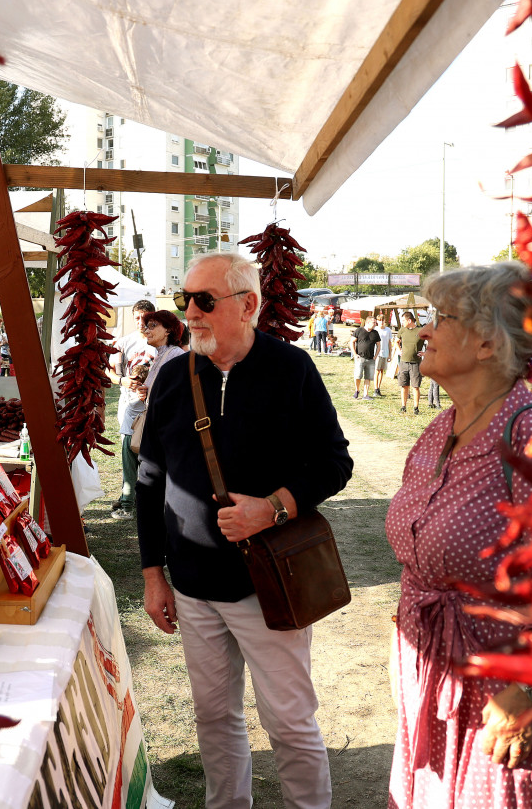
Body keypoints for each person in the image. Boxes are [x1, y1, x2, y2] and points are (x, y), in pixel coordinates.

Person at [384, 262, 532, 809]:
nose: (424, 330)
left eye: (441, 318)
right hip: (440, 677)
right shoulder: (440, 429)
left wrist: (528, 689)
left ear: (487, 343)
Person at [137, 253, 353, 809]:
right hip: (192, 586)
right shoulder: (174, 377)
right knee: (213, 716)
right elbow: (150, 479)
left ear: (247, 304)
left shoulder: (291, 368)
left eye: (204, 300)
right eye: (185, 299)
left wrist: (274, 508)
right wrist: (153, 573)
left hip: (270, 584)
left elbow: (334, 462)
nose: (190, 312)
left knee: (289, 721)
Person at [112, 299, 158, 520]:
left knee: (147, 454)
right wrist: (123, 381)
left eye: (145, 318)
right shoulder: (124, 342)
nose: (141, 322)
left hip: (152, 407)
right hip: (129, 406)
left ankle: (134, 499)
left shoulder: (158, 342)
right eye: (137, 317)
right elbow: (108, 371)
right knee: (129, 452)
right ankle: (128, 498)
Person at [123, 309, 187, 454]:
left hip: (168, 430)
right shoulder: (160, 355)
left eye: (153, 326)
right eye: (147, 326)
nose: (146, 331)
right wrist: (144, 393)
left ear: (168, 330)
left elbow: (180, 394)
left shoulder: (176, 355)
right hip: (158, 426)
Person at [396, 311, 423, 415]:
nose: (402, 322)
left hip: (415, 363)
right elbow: (396, 341)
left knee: (415, 386)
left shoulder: (420, 331)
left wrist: (425, 352)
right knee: (404, 385)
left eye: (403, 320)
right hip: (403, 362)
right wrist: (399, 350)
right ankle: (403, 406)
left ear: (409, 320)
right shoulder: (402, 330)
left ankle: (416, 408)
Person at [349, 315, 380, 399]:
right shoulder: (359, 330)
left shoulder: (375, 333)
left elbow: (378, 345)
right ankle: (357, 390)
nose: (375, 324)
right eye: (373, 322)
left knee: (368, 377)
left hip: (371, 359)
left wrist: (375, 356)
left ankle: (366, 394)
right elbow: (351, 342)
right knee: (358, 376)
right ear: (368, 322)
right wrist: (355, 354)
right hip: (360, 357)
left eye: (375, 323)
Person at [373, 314, 395, 396]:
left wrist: (390, 354)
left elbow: (389, 343)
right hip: (377, 353)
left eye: (382, 320)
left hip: (385, 352)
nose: (381, 322)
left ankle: (379, 388)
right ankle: (375, 388)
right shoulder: (375, 329)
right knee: (377, 370)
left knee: (382, 370)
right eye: (379, 320)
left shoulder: (388, 330)